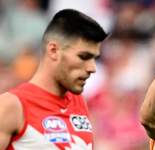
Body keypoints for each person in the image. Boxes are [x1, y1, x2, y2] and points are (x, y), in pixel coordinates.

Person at [0, 9, 107, 149]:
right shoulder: (11, 106)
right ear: (53, 51)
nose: (92, 67)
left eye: (94, 58)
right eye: (84, 57)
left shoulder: (79, 103)